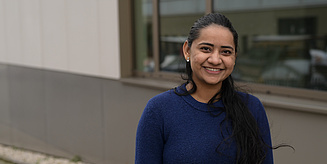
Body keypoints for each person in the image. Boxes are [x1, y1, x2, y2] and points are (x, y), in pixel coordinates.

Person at [135, 13, 273, 164]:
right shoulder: (158, 110)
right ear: (187, 50)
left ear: (234, 58)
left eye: (226, 52)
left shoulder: (252, 108)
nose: (215, 60)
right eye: (206, 49)